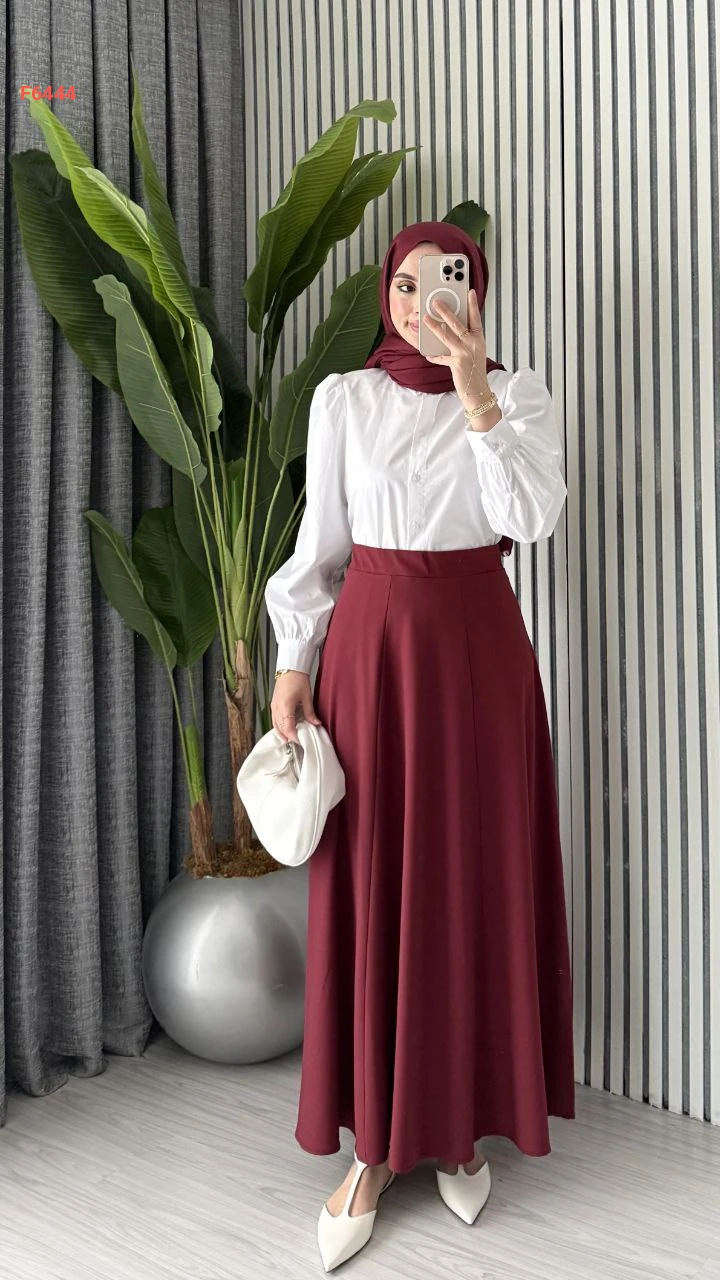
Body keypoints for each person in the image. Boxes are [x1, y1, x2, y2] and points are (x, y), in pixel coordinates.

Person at [265, 220, 575, 1271]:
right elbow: (320, 545)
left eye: (447, 280)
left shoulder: (519, 395)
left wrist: (476, 390)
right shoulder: (344, 399)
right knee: (375, 882)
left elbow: (531, 517)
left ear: (476, 291)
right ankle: (373, 1149)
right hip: (372, 657)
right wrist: (293, 662)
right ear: (386, 294)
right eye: (404, 283)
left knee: (471, 880)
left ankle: (458, 1128)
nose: (421, 300)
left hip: (479, 657)